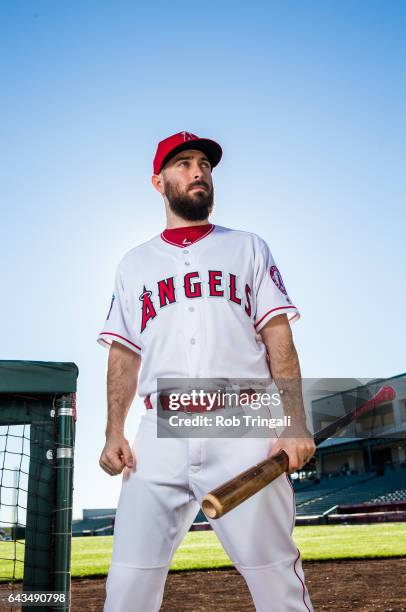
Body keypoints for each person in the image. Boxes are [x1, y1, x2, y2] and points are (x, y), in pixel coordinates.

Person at [98, 131, 316, 611]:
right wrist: (115, 430)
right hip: (160, 429)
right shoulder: (133, 265)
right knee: (128, 584)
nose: (198, 171)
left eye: (205, 164)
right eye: (183, 163)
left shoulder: (248, 248)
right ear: (158, 182)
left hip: (242, 421)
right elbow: (123, 354)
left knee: (274, 576)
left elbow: (279, 338)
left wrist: (293, 422)